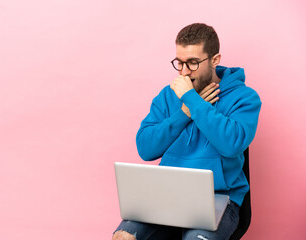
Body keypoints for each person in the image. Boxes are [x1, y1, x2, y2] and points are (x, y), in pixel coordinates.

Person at [112, 23, 261, 240]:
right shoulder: (169, 95)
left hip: (217, 198)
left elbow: (232, 145)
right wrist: (184, 112)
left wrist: (192, 100)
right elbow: (145, 148)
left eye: (192, 63)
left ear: (215, 60)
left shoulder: (245, 98)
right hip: (165, 194)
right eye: (179, 63)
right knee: (123, 237)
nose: (184, 72)